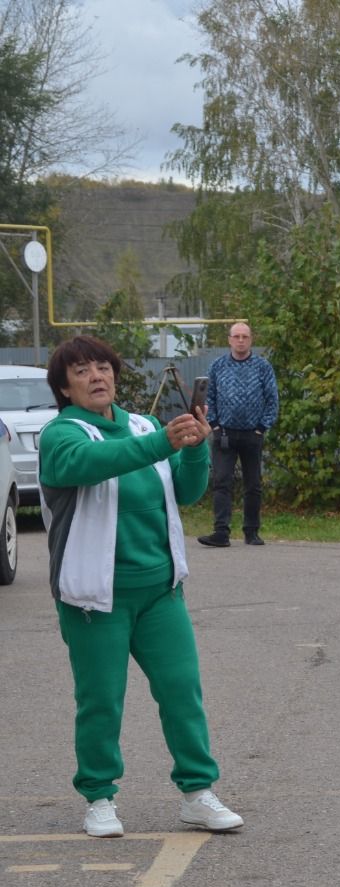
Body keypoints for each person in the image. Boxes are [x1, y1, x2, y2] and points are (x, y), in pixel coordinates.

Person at [38, 335, 244, 838]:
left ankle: (198, 793)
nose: (96, 376)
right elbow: (94, 463)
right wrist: (163, 442)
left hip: (159, 591)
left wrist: (194, 448)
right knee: (100, 700)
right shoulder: (61, 435)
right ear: (64, 387)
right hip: (94, 597)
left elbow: (186, 490)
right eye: (82, 371)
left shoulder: (143, 424)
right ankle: (99, 797)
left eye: (103, 367)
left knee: (181, 691)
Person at [198, 321, 278, 547]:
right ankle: (221, 531)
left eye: (245, 336)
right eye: (237, 336)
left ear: (251, 340)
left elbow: (272, 399)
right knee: (222, 482)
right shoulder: (217, 366)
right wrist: (213, 424)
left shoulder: (263, 367)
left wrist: (262, 427)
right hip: (224, 433)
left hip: (253, 434)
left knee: (253, 484)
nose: (241, 340)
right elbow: (209, 396)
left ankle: (251, 531)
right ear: (229, 340)